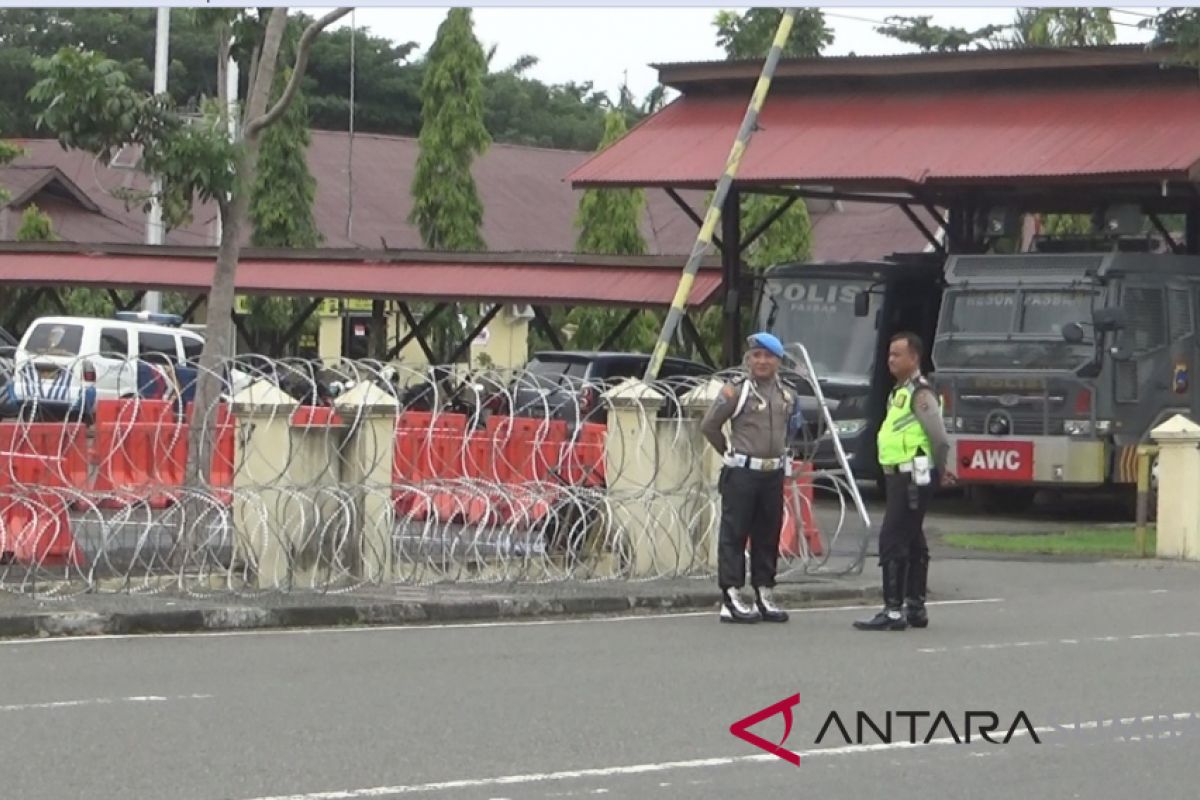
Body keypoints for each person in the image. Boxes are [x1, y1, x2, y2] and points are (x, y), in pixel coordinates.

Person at [701, 332, 804, 624]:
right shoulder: (736, 391)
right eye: (756, 356)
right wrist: (729, 452)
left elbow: (791, 429)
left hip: (772, 473)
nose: (761, 361)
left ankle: (764, 590)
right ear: (749, 360)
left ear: (778, 361)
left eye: (767, 356)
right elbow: (710, 425)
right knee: (734, 535)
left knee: (767, 535)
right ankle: (732, 592)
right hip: (743, 472)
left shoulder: (786, 394)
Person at [854, 331, 954, 632]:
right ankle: (915, 607)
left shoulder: (920, 393)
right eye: (889, 354)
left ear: (914, 358)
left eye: (897, 354)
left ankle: (893, 610)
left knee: (893, 539)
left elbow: (938, 436)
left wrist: (941, 468)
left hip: (914, 472)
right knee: (912, 539)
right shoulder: (899, 392)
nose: (891, 360)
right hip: (900, 473)